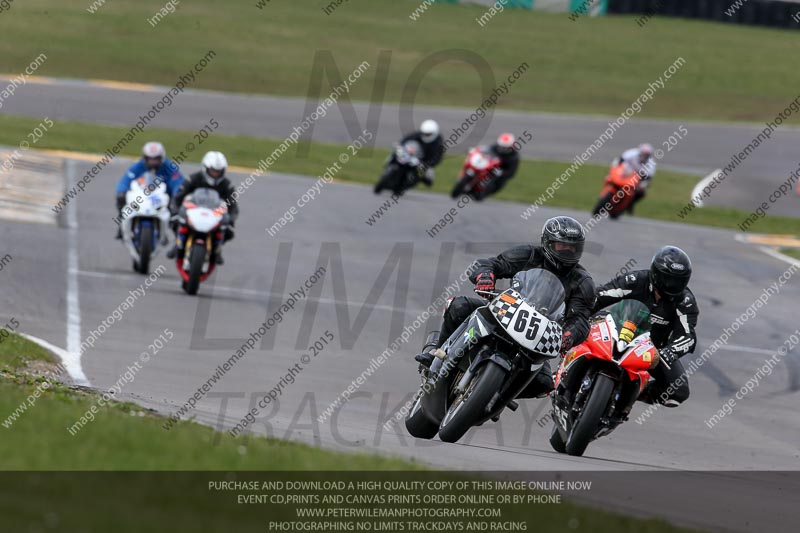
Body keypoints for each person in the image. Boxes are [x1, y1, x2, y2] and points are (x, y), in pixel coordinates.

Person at [416, 216, 596, 398]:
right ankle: (436, 352)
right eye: (562, 246)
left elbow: (580, 319)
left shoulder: (583, 282)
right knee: (459, 306)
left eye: (573, 248)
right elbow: (491, 264)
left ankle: (497, 396)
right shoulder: (529, 254)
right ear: (548, 243)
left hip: (540, 333)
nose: (568, 252)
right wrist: (485, 276)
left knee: (544, 384)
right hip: (505, 309)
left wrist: (568, 336)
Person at [594, 245, 697, 407]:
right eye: (667, 279)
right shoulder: (636, 280)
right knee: (582, 327)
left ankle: (631, 393)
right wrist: (579, 313)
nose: (672, 285)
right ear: (655, 273)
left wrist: (670, 351)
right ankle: (565, 374)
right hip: (616, 333)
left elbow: (688, 337)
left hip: (651, 351)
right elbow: (601, 295)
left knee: (679, 391)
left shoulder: (685, 301)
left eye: (678, 281)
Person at [166, 151, 238, 265]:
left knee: (229, 232)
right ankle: (177, 243)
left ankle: (217, 250)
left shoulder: (226, 185)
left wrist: (231, 220)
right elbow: (178, 197)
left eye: (218, 172)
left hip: (214, 215)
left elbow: (233, 206)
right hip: (193, 212)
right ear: (205, 168)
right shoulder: (193, 179)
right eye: (213, 171)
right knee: (175, 222)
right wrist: (175, 211)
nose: (215, 174)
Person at [115, 141, 184, 238]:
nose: (153, 162)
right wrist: (122, 190)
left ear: (161, 158)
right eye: (150, 159)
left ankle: (178, 241)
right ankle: (122, 224)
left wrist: (177, 194)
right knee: (121, 197)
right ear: (145, 157)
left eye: (156, 159)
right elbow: (125, 180)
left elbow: (178, 183)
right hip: (142, 196)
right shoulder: (138, 166)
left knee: (177, 213)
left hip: (163, 198)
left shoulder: (169, 167)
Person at [472, 132, 520, 200]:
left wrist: (501, 172)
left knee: (498, 184)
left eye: (505, 147)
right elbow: (485, 150)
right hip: (489, 166)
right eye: (501, 146)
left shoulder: (514, 157)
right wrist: (477, 150)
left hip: (500, 173)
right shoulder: (494, 147)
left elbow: (511, 173)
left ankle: (481, 194)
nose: (502, 149)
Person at [397, 119, 444, 186]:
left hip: (425, 161)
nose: (426, 135)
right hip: (414, 154)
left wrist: (427, 164)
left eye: (428, 134)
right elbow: (406, 139)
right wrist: (400, 146)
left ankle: (414, 181)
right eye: (425, 133)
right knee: (398, 152)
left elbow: (437, 158)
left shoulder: (438, 143)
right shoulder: (419, 134)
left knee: (429, 177)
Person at [616, 143, 656, 214]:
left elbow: (647, 178)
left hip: (636, 181)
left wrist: (641, 186)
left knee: (641, 193)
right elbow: (619, 162)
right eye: (643, 154)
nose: (644, 156)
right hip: (624, 174)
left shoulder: (651, 164)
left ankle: (630, 204)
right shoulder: (631, 154)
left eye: (647, 155)